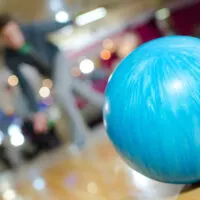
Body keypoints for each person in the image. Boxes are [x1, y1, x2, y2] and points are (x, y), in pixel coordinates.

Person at [0, 14, 104, 145]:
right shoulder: (10, 58)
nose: (13, 39)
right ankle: (111, 107)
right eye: (7, 37)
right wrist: (36, 112)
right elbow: (24, 85)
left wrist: (71, 22)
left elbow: (51, 25)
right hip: (49, 73)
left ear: (18, 28)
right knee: (82, 91)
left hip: (58, 59)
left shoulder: (31, 30)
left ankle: (81, 137)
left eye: (14, 33)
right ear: (3, 39)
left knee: (61, 93)